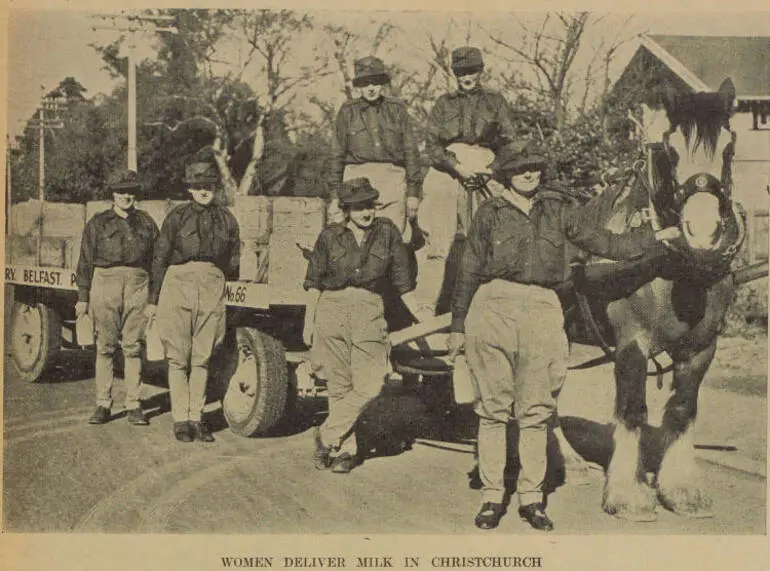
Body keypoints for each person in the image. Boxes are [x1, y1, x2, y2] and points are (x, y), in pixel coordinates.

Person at [447, 141, 681, 531]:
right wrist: (457, 327)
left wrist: (655, 235)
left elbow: (608, 243)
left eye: (535, 167)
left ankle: (531, 499)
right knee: (492, 411)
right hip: (493, 307)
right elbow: (469, 271)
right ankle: (491, 496)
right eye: (521, 168)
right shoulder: (489, 214)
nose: (529, 174)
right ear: (506, 175)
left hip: (542, 308)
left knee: (536, 411)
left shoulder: (559, 212)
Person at [303, 177, 425, 473]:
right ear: (346, 210)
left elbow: (402, 284)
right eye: (358, 208)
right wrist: (310, 320)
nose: (366, 213)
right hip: (331, 309)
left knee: (371, 383)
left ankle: (327, 433)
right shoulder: (329, 236)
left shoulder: (387, 233)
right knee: (339, 386)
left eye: (370, 205)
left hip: (369, 309)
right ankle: (345, 450)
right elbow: (314, 283)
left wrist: (423, 316)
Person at [416, 46, 517, 314]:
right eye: (461, 72)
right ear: (455, 74)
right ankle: (424, 309)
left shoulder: (495, 101)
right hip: (448, 168)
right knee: (437, 242)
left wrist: (491, 168)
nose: (467, 76)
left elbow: (510, 143)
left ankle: (486, 309)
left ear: (480, 71)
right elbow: (432, 146)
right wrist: (456, 167)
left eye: (472, 70)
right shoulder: (443, 103)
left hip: (484, 167)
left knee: (489, 239)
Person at [145, 157, 240, 443]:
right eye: (198, 185)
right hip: (178, 284)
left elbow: (234, 259)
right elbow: (160, 257)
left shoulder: (227, 219)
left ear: (214, 188)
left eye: (208, 185)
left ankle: (197, 419)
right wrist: (154, 299)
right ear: (190, 189)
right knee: (178, 357)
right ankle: (180, 419)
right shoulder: (177, 217)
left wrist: (226, 287)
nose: (204, 190)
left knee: (203, 357)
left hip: (212, 285)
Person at [75, 170, 159, 426]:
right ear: (113, 194)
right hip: (105, 284)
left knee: (133, 347)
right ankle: (103, 404)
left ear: (137, 195)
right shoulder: (98, 223)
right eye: (121, 191)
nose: (126, 196)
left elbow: (157, 261)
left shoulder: (146, 223)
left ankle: (134, 403)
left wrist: (154, 298)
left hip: (138, 285)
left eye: (131, 191)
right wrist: (83, 297)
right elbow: (85, 260)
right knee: (105, 347)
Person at [328, 56, 422, 233]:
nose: (371, 88)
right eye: (365, 84)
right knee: (355, 239)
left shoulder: (397, 109)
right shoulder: (348, 111)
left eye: (376, 82)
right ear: (358, 87)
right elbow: (336, 155)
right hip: (356, 179)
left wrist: (413, 193)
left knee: (391, 237)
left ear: (383, 84)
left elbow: (411, 152)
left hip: (392, 179)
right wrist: (334, 197)